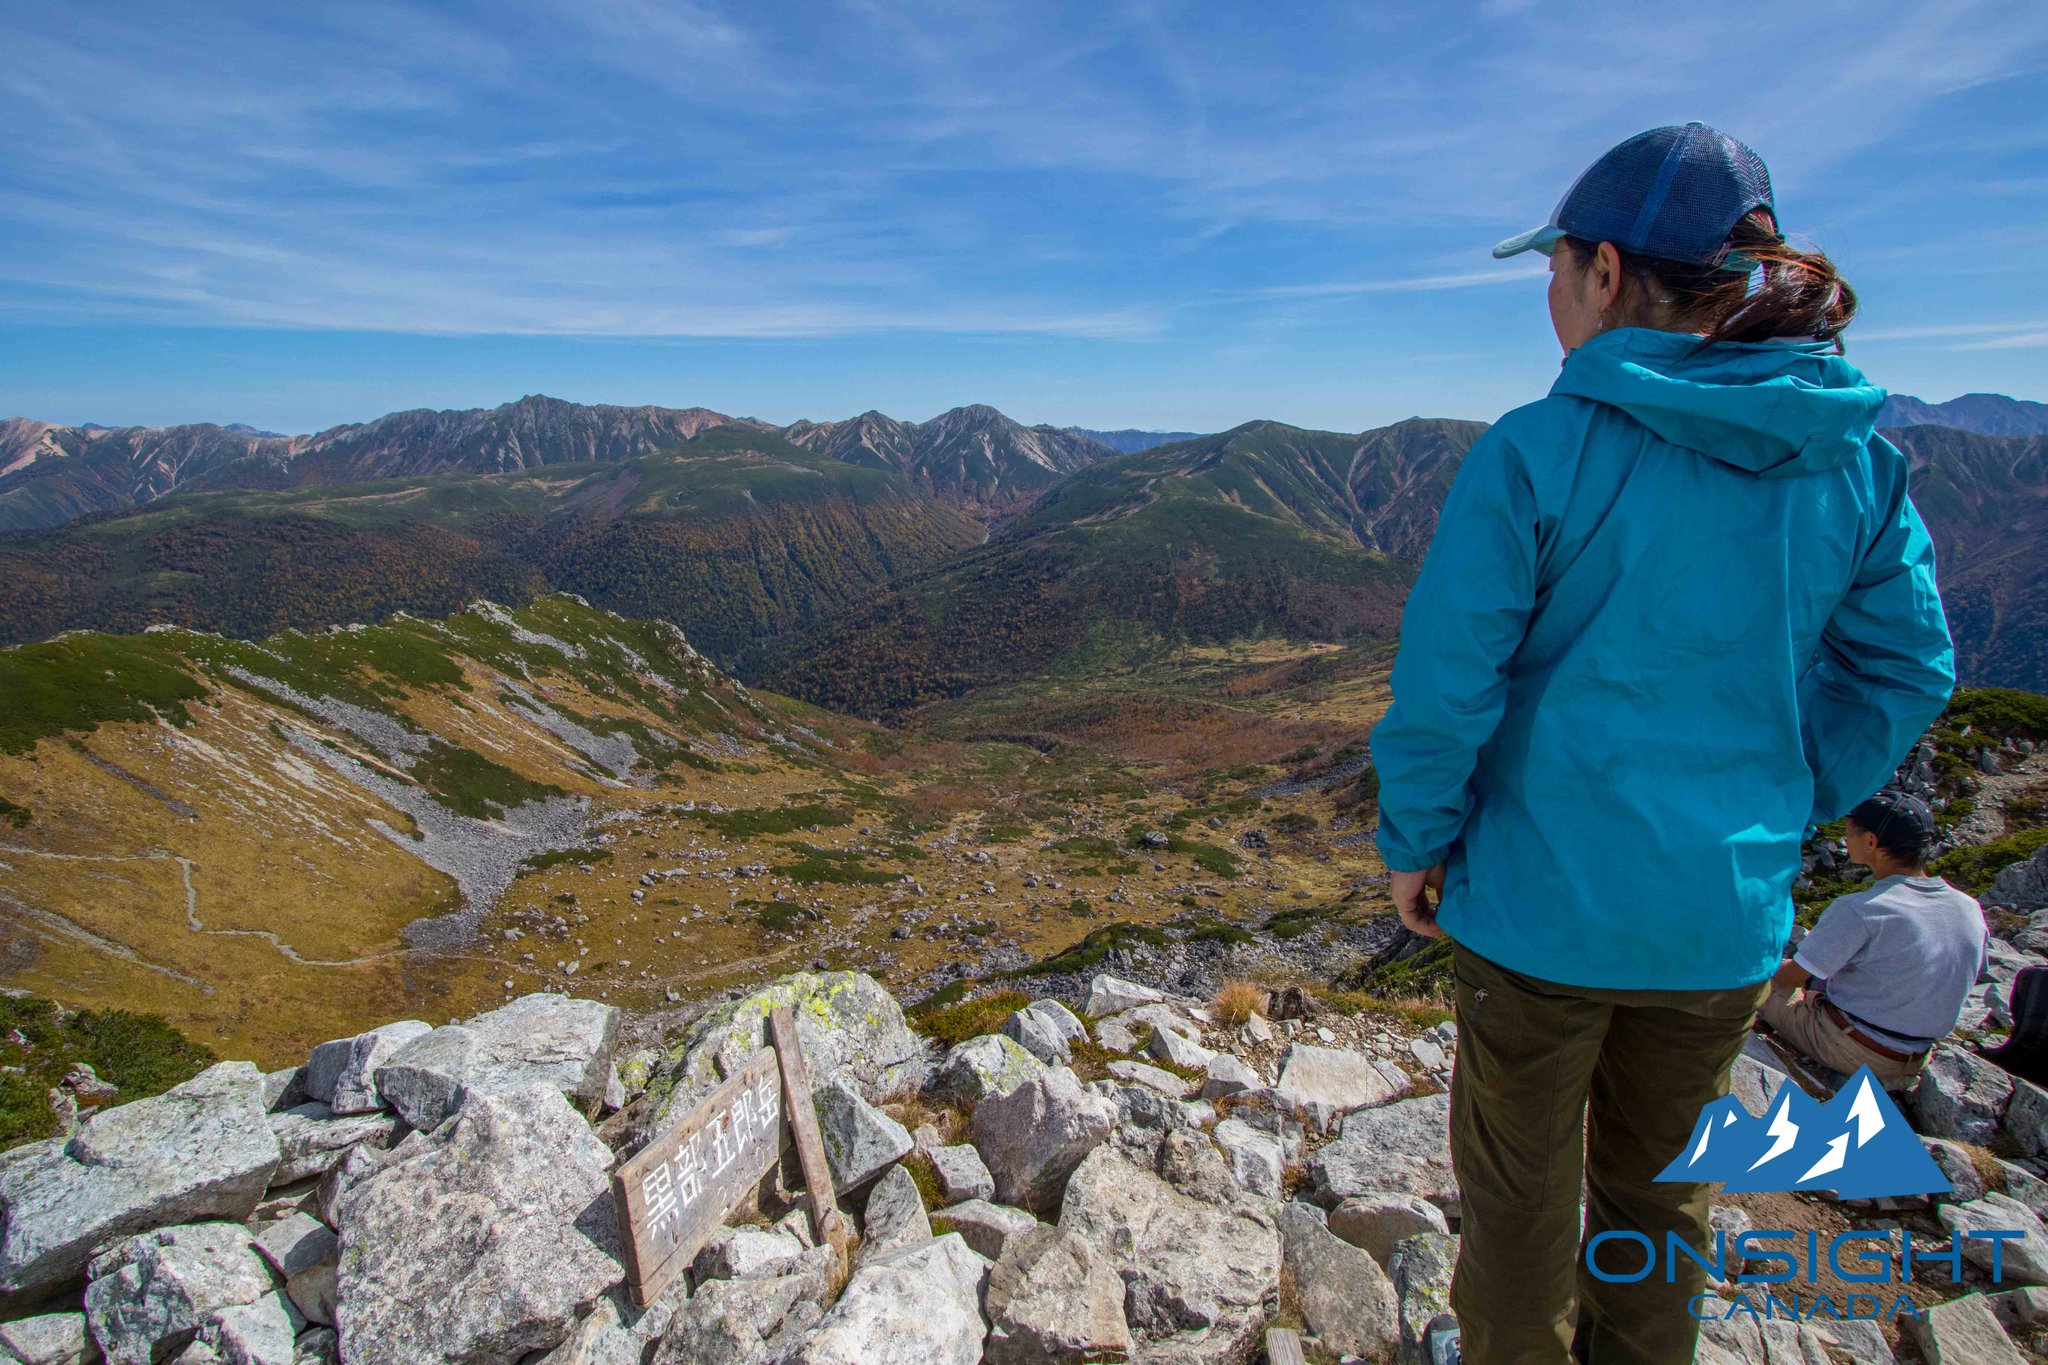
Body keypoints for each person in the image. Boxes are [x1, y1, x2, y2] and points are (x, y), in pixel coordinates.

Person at [1370, 122, 1954, 1364]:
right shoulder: (1855, 462)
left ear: (1602, 268)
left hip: (1536, 913)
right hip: (1718, 919)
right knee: (1662, 1200)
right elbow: (1909, 667)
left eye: (1552, 265)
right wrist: (1787, 794)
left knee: (1519, 1202)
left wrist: (1415, 840)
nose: (1546, 290)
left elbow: (1445, 687)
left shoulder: (1535, 450)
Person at [1758, 789, 1987, 1088]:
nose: (1845, 837)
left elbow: (1789, 978)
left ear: (1870, 841)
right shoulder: (1969, 908)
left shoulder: (1862, 909)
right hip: (1916, 1055)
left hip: (1856, 1049)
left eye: (1849, 830)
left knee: (1753, 981)